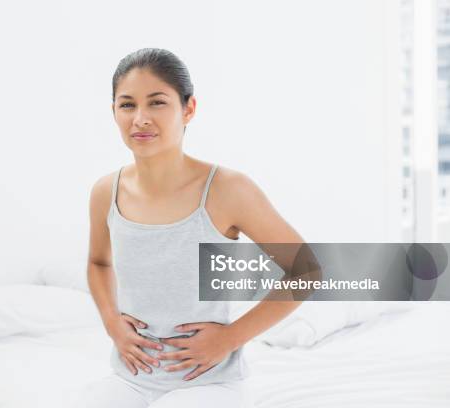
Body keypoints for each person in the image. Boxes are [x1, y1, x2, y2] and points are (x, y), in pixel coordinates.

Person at [73, 48, 306, 407]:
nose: (141, 118)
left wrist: (230, 338)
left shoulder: (228, 189)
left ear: (189, 109)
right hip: (130, 380)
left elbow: (306, 270)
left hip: (208, 384)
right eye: (127, 105)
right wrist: (111, 322)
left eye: (157, 102)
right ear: (114, 113)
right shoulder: (106, 192)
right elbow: (99, 263)